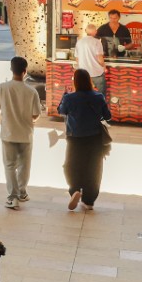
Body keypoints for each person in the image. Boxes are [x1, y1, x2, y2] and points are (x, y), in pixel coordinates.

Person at [0, 55, 42, 209]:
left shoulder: (2, 88)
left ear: (11, 70)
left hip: (8, 133)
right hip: (26, 134)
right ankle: (22, 193)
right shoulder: (32, 92)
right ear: (25, 71)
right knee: (24, 165)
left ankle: (13, 197)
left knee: (10, 165)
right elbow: (36, 114)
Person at [57, 68, 111, 212]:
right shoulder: (98, 97)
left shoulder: (69, 98)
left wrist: (64, 95)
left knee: (71, 165)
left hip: (75, 138)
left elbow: (61, 111)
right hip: (94, 138)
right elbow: (107, 116)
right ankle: (89, 200)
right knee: (93, 169)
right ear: (89, 80)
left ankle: (74, 189)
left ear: (75, 82)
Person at [76, 19, 107, 94]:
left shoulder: (79, 42)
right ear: (95, 32)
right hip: (96, 73)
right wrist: (104, 66)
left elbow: (77, 59)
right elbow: (100, 58)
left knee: (84, 95)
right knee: (100, 95)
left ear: (86, 31)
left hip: (83, 74)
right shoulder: (97, 42)